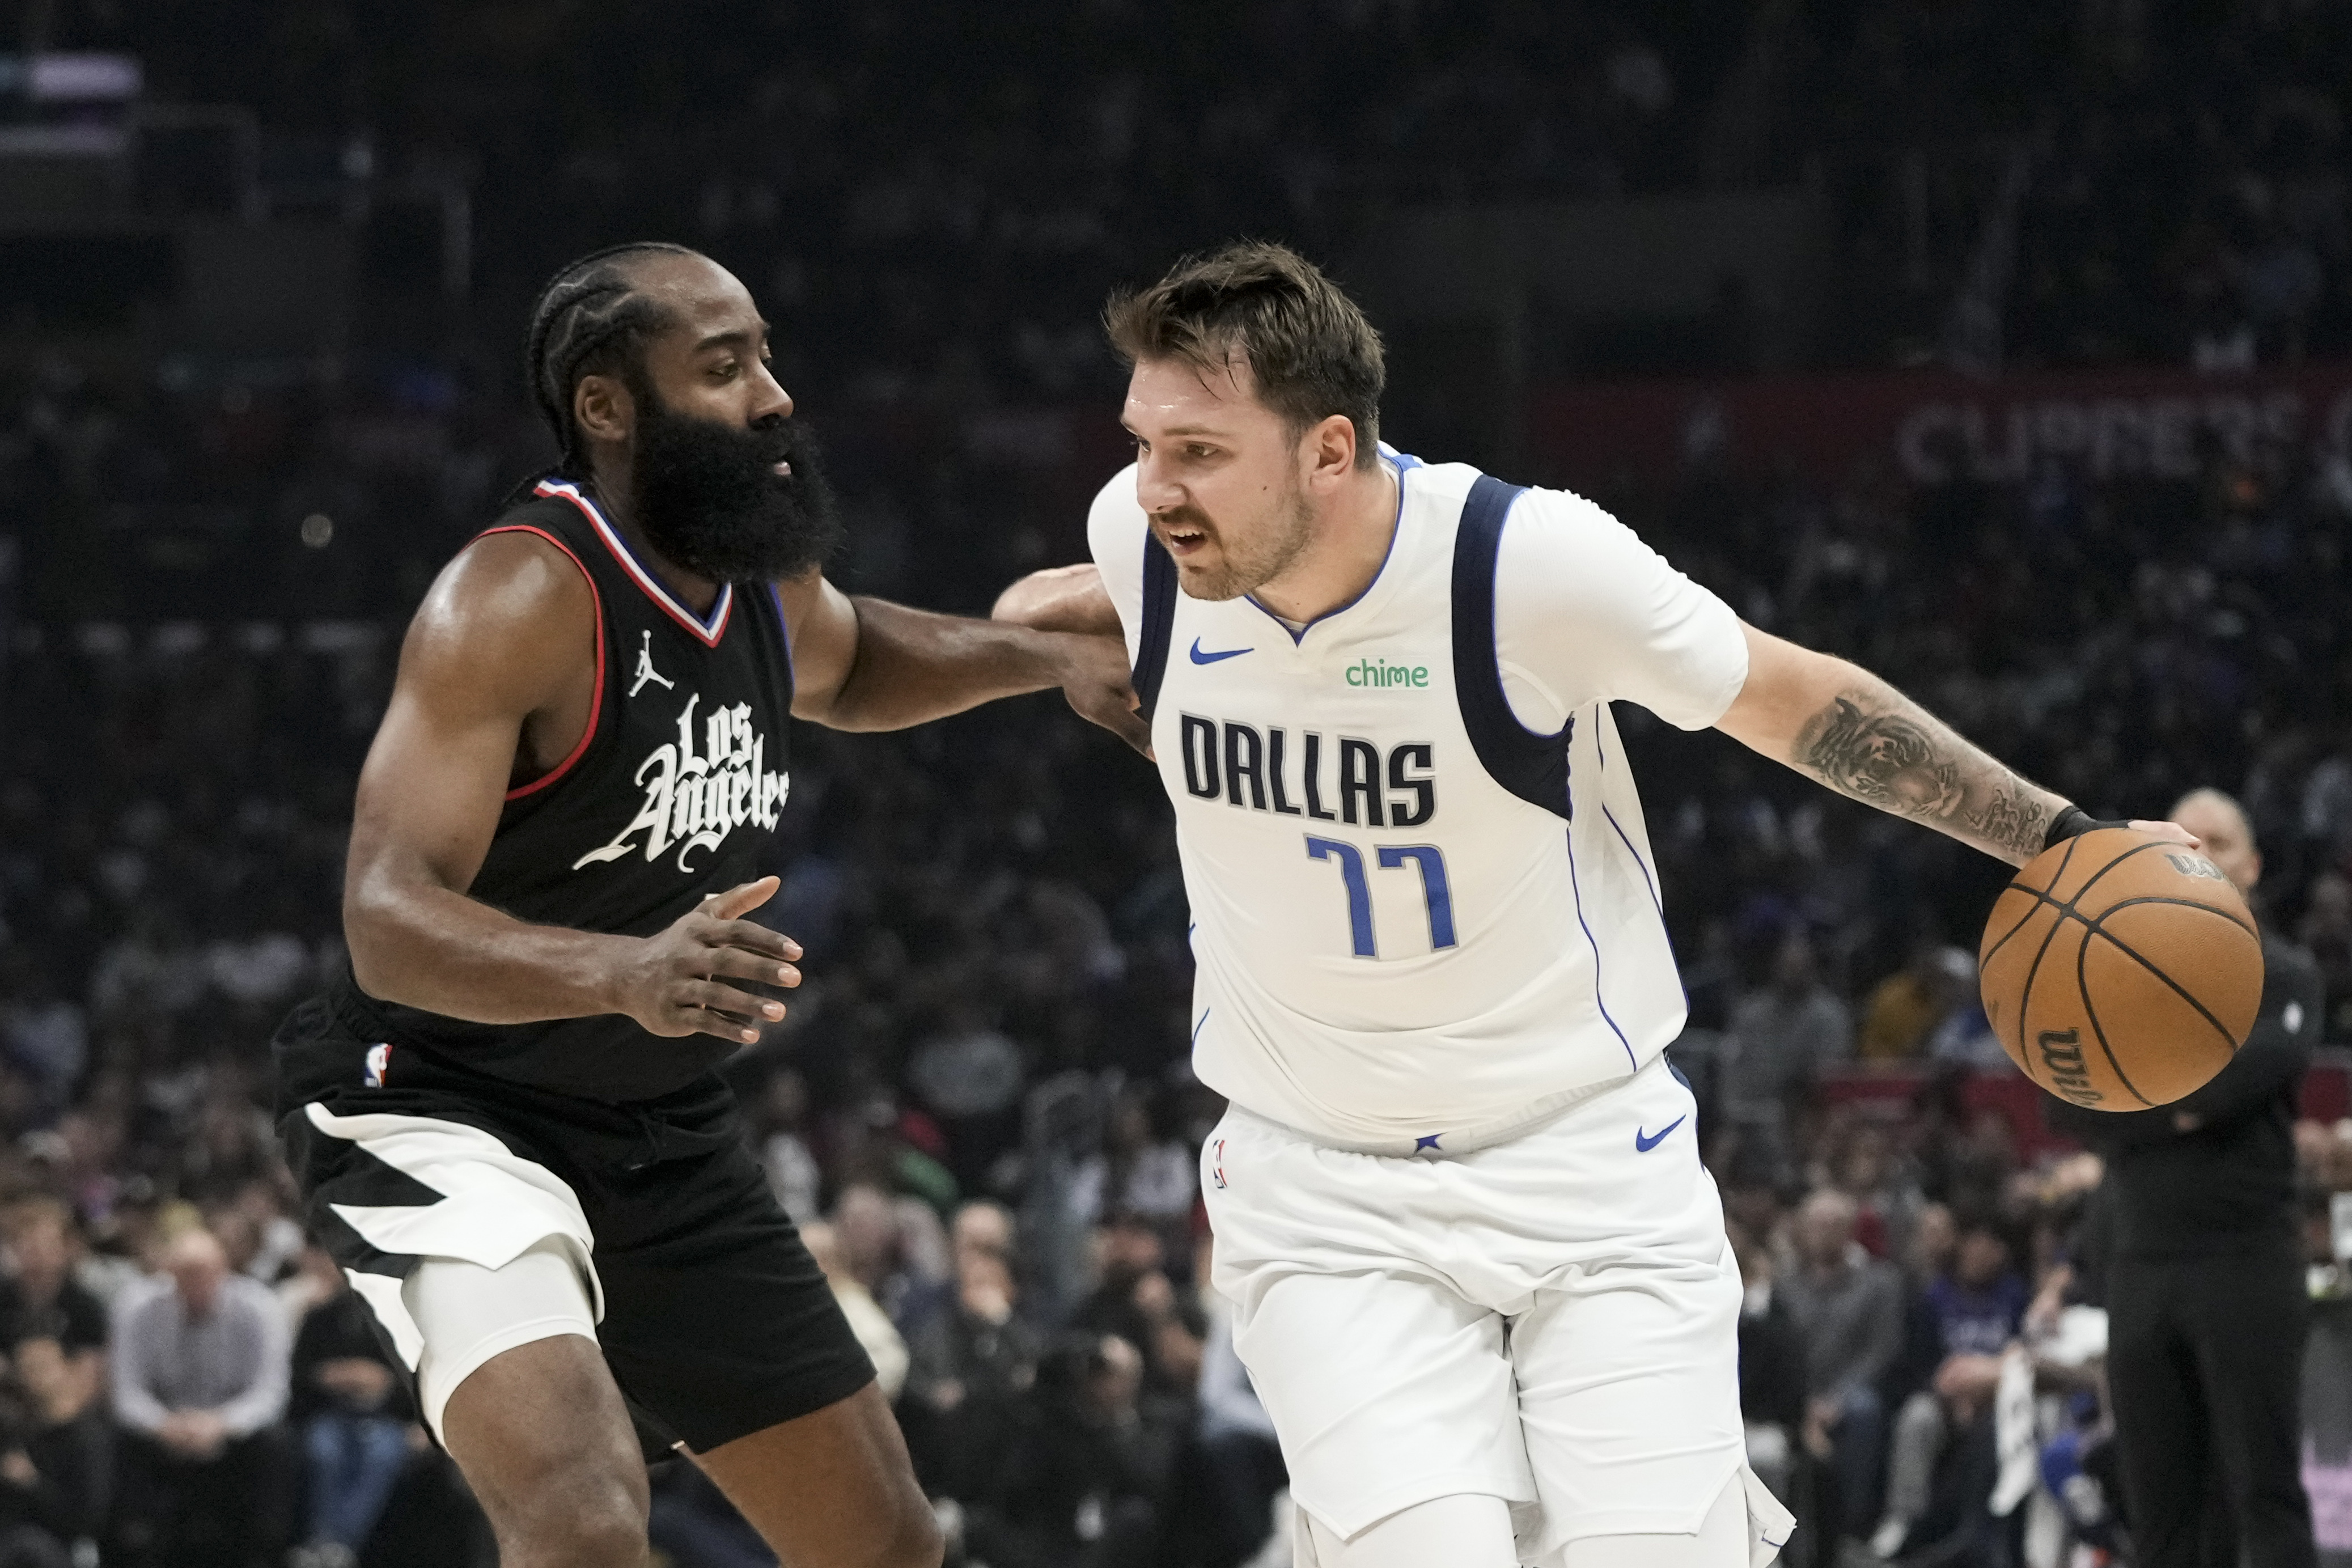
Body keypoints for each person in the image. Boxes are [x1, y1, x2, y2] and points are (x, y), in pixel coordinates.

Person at [992, 240, 2193, 1568]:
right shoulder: (1142, 538)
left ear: (1328, 450)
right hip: (1319, 1189)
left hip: (1585, 1163)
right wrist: (1062, 650)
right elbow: (1060, 605)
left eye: (1198, 452)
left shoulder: (1522, 565)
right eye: (1141, 441)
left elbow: (1792, 699)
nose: (1152, 486)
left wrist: (2056, 837)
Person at [270, 241, 1143, 1568]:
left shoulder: (750, 576)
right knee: (580, 1520)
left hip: (653, 1124)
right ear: (609, 405)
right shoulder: (516, 596)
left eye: (767, 355)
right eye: (724, 367)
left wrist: (1049, 661)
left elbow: (854, 666)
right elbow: (386, 917)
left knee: (885, 1543)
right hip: (445, 1108)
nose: (775, 395)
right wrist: (618, 975)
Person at [2050, 787, 2324, 1568]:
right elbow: (2063, 1102)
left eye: (2220, 839)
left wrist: (2129, 1095)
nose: (2199, 849)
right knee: (2161, 1503)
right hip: (2138, 1261)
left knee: (2262, 1489)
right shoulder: (2106, 971)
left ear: (2253, 864)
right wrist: (2168, 1105)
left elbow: (2229, 1088)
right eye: (2185, 836)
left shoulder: (2285, 969)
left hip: (2246, 1256)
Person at [109, 1227, 293, 1568]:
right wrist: (163, 1424)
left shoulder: (260, 1308)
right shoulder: (137, 1306)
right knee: (120, 1439)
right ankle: (132, 1549)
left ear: (225, 1270)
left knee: (275, 1443)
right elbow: (127, 1393)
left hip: (231, 1431)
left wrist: (221, 1424)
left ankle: (265, 1553)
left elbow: (270, 1393)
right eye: (185, 1275)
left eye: (204, 1273)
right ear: (169, 1273)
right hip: (166, 1428)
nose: (195, 1284)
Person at [1777, 1190, 1904, 1544]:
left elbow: (1881, 1350)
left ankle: (1851, 1529)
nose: (1823, 1233)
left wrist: (1836, 1399)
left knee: (1864, 1410)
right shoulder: (1783, 1284)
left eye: (1834, 1225)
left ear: (1850, 1230)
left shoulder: (1880, 1282)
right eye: (1816, 1225)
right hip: (1797, 1393)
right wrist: (1804, 1402)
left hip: (1851, 1392)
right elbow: (1778, 1353)